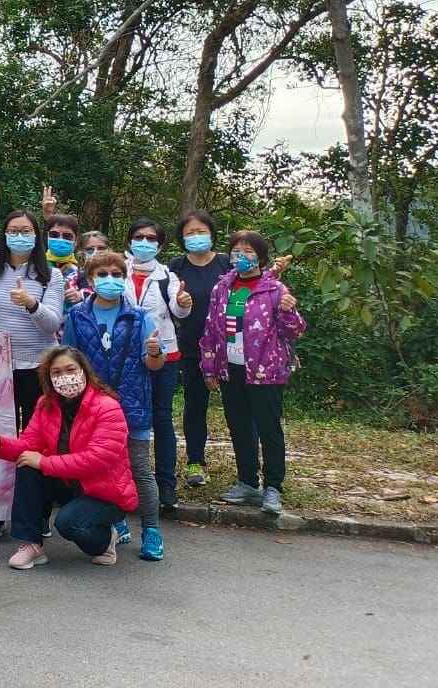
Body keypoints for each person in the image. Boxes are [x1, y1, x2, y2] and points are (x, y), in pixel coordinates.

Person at [0, 346, 137, 569]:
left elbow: (97, 459)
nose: (64, 377)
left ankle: (105, 540)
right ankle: (31, 545)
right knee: (27, 463)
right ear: (48, 377)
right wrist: (0, 445)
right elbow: (29, 443)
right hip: (70, 484)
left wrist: (44, 462)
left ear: (84, 371)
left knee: (68, 524)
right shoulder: (46, 404)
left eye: (70, 369)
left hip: (105, 494)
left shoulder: (107, 407)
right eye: (56, 373)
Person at [62, 251, 167, 561]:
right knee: (98, 468)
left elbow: (154, 365)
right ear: (90, 280)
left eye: (117, 274)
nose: (111, 279)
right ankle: (115, 522)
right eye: (102, 274)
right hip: (91, 408)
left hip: (132, 405)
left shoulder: (140, 317)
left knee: (139, 469)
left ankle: (151, 530)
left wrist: (154, 351)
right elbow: (69, 361)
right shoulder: (77, 316)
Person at [199, 230, 306, 516]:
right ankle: (248, 482)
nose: (241, 257)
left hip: (265, 371)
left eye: (248, 251)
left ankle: (273, 488)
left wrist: (288, 311)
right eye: (236, 251)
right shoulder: (223, 288)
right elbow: (211, 329)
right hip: (230, 369)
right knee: (240, 427)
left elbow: (294, 331)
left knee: (269, 429)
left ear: (260, 257)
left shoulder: (274, 289)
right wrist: (208, 366)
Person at [122, 217, 191, 511]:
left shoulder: (168, 276)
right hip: (124, 355)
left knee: (161, 419)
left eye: (151, 239)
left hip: (165, 353)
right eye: (139, 237)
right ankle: (124, 480)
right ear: (129, 241)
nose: (145, 243)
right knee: (123, 418)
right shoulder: (116, 270)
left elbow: (178, 310)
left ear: (160, 245)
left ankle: (165, 485)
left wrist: (184, 303)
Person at [0, 209, 65, 429]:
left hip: (38, 366)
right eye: (13, 231)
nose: (19, 236)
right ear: (4, 235)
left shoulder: (51, 275)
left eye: (26, 231)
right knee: (1, 430)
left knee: (35, 432)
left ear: (36, 236)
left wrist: (31, 304)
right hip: (0, 366)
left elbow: (52, 324)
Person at [168, 210, 227, 488]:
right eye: (190, 232)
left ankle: (248, 471)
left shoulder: (227, 264)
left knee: (241, 410)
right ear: (182, 237)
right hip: (192, 348)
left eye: (201, 231)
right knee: (194, 407)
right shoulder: (175, 267)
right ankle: (195, 461)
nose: (196, 236)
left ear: (212, 234)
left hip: (231, 351)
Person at [45, 213, 84, 306]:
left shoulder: (81, 271)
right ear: (47, 236)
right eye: (54, 235)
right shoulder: (36, 265)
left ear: (76, 240)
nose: (60, 239)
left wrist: (80, 295)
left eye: (67, 236)